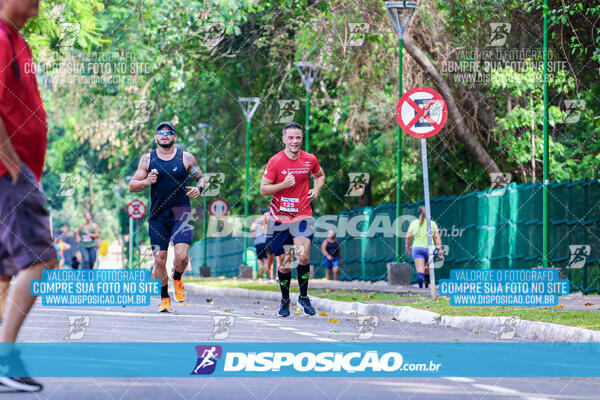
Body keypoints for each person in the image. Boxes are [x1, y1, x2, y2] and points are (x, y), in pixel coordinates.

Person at [0, 0, 59, 391]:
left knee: (6, 272)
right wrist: (12, 163)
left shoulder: (18, 41)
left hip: (17, 171)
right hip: (8, 172)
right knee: (42, 260)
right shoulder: (0, 38)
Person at [128, 121, 206, 312]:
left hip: (181, 214)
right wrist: (146, 181)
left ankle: (177, 277)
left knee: (181, 256)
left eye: (169, 132)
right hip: (158, 217)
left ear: (174, 137)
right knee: (159, 259)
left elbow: (202, 177)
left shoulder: (186, 158)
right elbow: (132, 185)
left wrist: (199, 188)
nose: (165, 135)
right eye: (161, 132)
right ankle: (164, 296)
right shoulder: (147, 160)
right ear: (156, 137)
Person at [260, 122, 325, 317]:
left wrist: (316, 188)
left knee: (303, 255)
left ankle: (304, 297)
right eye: (291, 138)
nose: (295, 141)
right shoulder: (275, 161)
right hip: (279, 218)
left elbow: (320, 175)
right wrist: (282, 184)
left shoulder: (309, 159)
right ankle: (285, 299)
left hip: (303, 214)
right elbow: (264, 189)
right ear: (284, 139)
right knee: (285, 264)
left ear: (301, 139)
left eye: (298, 137)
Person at [406, 207, 443, 289]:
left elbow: (408, 236)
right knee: (427, 269)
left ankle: (421, 289)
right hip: (429, 249)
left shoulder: (414, 223)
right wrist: (440, 250)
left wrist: (407, 246)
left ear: (418, 213)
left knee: (420, 270)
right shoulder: (432, 223)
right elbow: (437, 238)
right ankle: (426, 288)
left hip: (417, 249)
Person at [250, 209, 270, 278]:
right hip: (265, 241)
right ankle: (265, 274)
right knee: (266, 259)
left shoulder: (257, 220)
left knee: (259, 257)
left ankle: (260, 266)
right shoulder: (268, 220)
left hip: (257, 242)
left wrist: (254, 237)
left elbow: (252, 229)